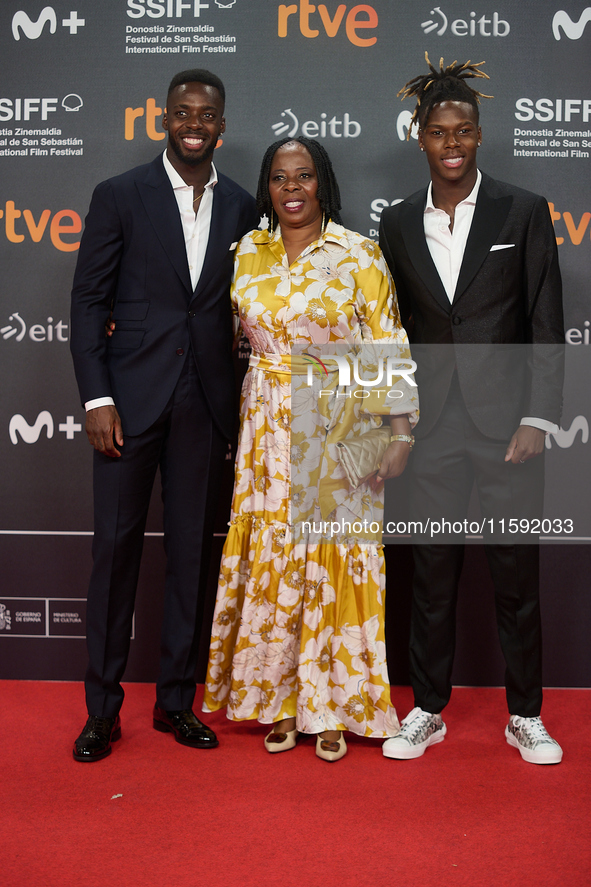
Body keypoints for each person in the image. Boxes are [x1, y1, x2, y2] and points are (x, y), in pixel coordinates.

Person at [202, 136, 418, 762]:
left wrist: (399, 432)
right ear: (266, 187)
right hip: (267, 425)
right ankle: (281, 699)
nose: (292, 188)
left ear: (321, 182)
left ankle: (334, 707)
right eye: (279, 177)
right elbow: (225, 335)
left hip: (340, 421)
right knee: (275, 555)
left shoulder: (359, 254)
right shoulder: (247, 252)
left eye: (303, 176)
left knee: (335, 558)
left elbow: (387, 344)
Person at [379, 55, 564, 764]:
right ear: (417, 137)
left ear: (479, 136)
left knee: (516, 573)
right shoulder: (395, 223)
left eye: (462, 131)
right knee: (431, 573)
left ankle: (525, 714)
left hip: (507, 426)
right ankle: (428, 707)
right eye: (437, 131)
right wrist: (397, 421)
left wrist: (537, 417)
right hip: (433, 430)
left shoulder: (522, 209)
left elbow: (544, 322)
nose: (450, 142)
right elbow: (389, 330)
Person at [69, 69, 258, 761]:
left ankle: (176, 701)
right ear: (163, 118)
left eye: (206, 113)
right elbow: (89, 302)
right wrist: (96, 397)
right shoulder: (119, 195)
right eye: (182, 111)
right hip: (127, 403)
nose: (193, 122)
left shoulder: (242, 206)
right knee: (114, 555)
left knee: (191, 559)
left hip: (205, 404)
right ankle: (102, 710)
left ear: (221, 124)